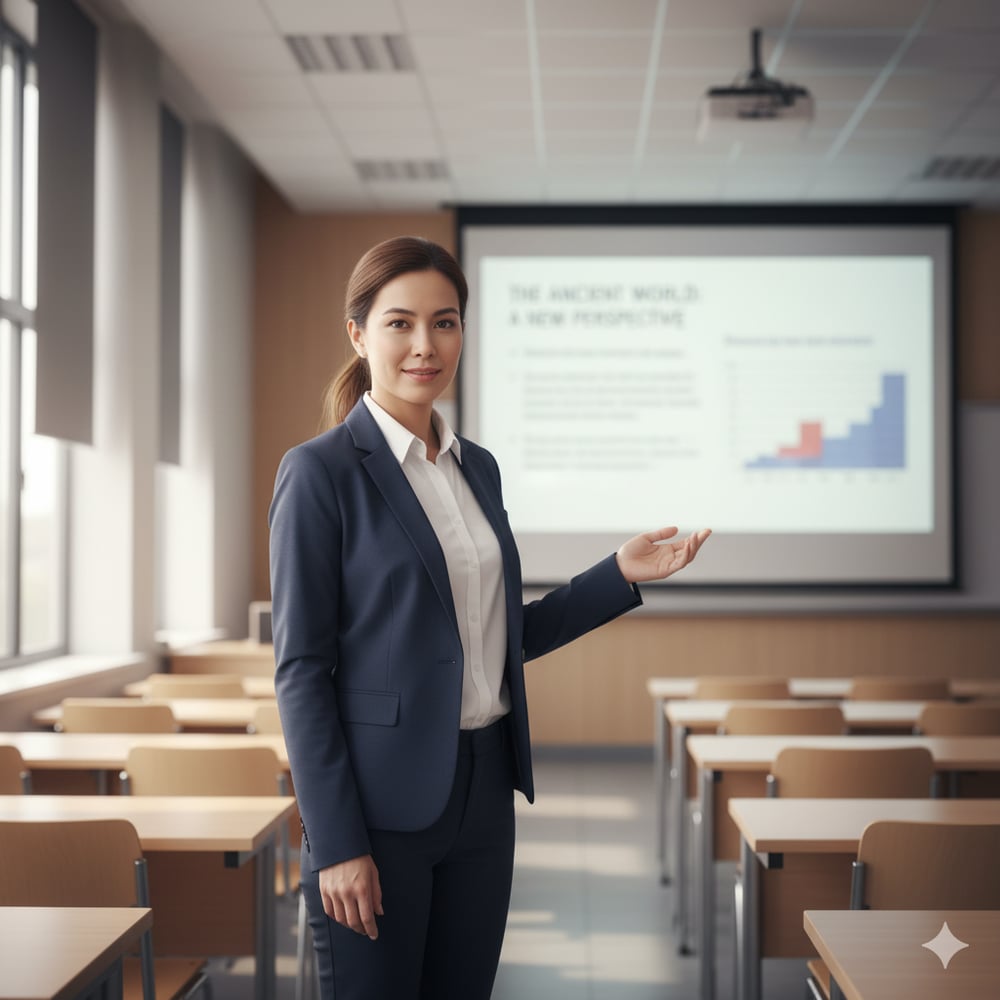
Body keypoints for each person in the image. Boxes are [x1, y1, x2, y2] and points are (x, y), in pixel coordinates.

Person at [269, 235, 711, 1000]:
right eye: (400, 323)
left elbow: (495, 636)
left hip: (483, 793)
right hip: (378, 811)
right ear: (358, 334)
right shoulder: (320, 474)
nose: (424, 345)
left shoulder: (478, 467)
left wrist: (618, 576)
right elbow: (301, 672)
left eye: (444, 323)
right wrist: (336, 842)